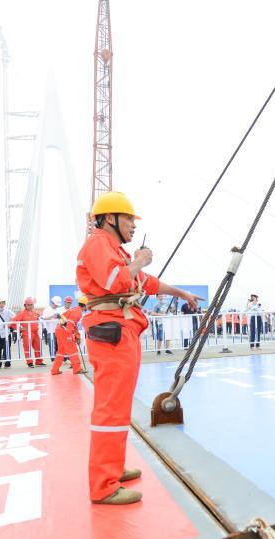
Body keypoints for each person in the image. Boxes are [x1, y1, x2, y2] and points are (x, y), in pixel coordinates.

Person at [78, 191, 201, 505]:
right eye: (129, 218)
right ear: (109, 218)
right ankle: (104, 485)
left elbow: (146, 283)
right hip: (112, 332)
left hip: (122, 331)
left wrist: (182, 293)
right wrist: (138, 261)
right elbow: (114, 281)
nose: (134, 225)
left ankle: (113, 469)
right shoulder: (98, 244)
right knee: (110, 408)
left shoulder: (113, 249)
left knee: (119, 407)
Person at [13, 297, 44, 367]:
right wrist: (20, 329)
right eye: (28, 305)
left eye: (31, 304)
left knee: (38, 347)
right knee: (27, 347)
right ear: (25, 305)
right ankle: (29, 362)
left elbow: (40, 319)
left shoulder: (35, 313)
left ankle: (39, 361)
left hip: (35, 332)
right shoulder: (22, 314)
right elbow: (13, 323)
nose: (30, 306)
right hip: (27, 333)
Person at [0, 297, 16, 368]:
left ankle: (7, 363)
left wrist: (9, 324)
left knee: (6, 348)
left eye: (2, 303)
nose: (1, 304)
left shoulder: (8, 311)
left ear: (4, 303)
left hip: (6, 333)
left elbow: (16, 318)